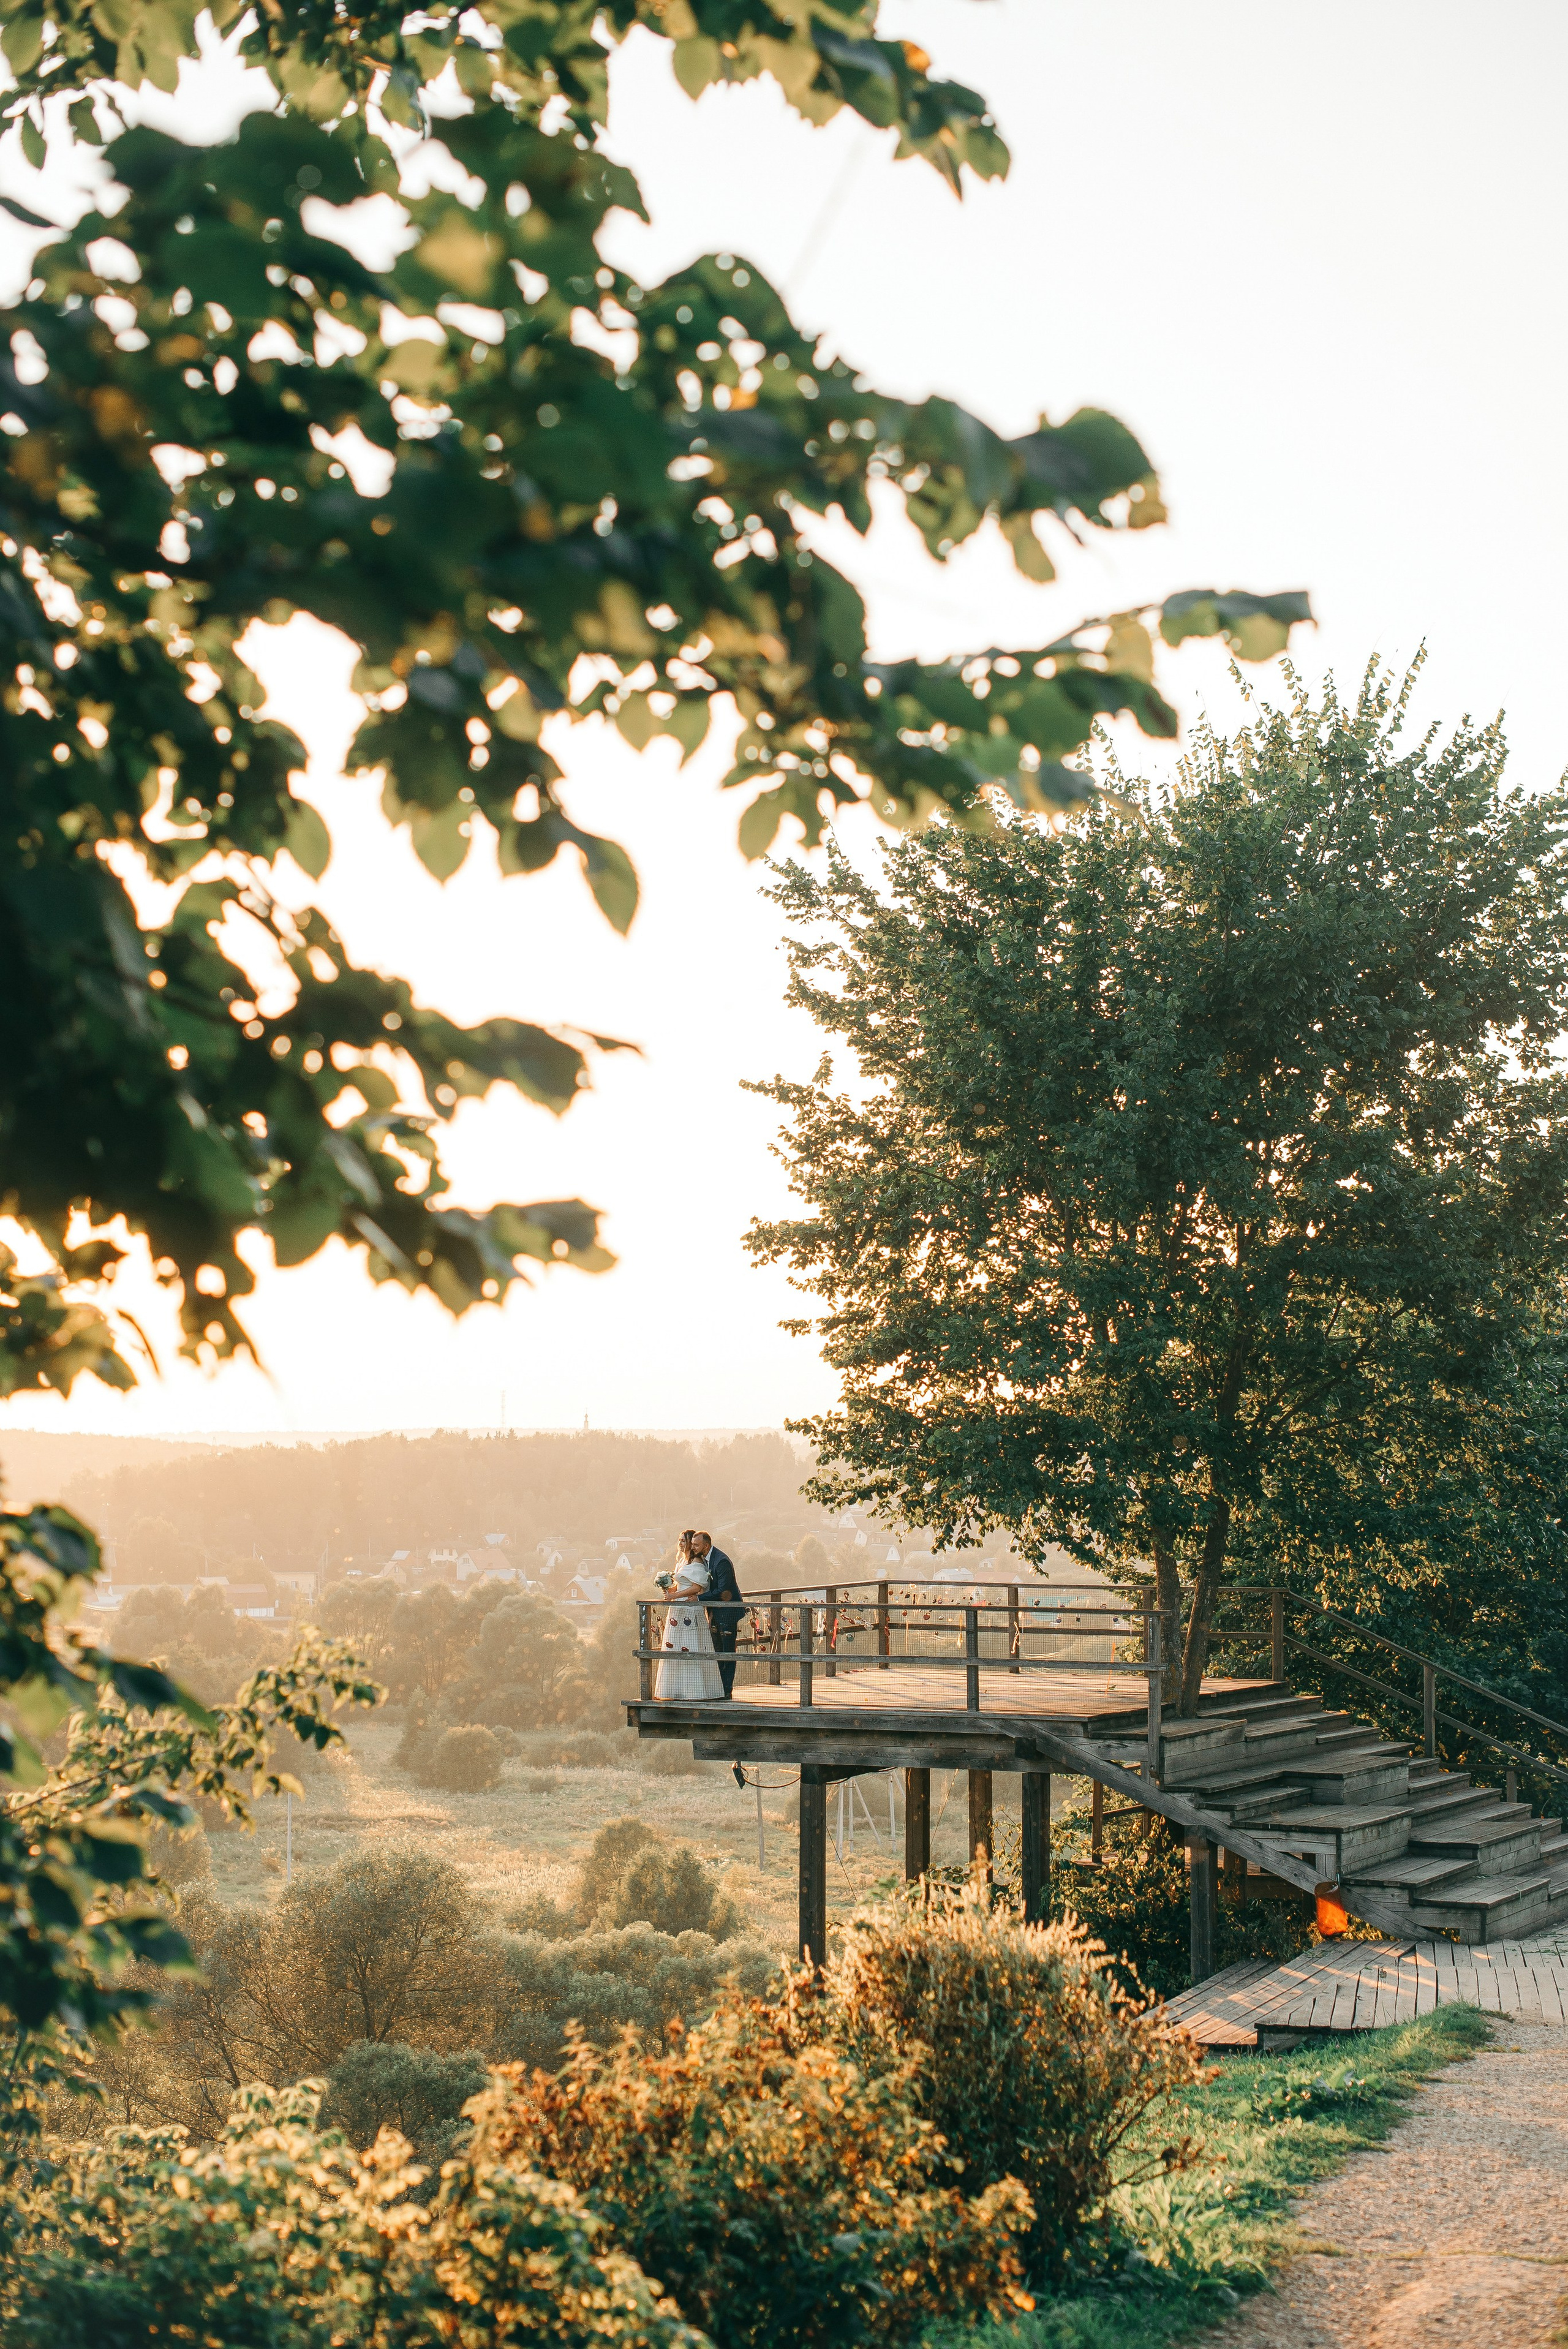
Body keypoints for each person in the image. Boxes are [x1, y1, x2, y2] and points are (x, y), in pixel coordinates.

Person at [652, 1532, 724, 1702]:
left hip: (689, 1610)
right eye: (680, 1540)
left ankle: (695, 1691)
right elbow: (680, 1584)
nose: (681, 1543)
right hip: (677, 1611)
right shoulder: (681, 1563)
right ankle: (675, 1690)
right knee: (675, 1646)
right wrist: (669, 1589)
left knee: (691, 1645)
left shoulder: (697, 1562)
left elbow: (697, 1587)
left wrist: (675, 1597)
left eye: (684, 1541)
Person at [690, 1528, 743, 1700]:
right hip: (716, 1613)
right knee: (718, 1651)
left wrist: (699, 1598)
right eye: (692, 1544)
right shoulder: (707, 1559)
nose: (693, 1547)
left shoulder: (721, 1561)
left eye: (696, 1545)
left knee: (727, 1652)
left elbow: (724, 1591)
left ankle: (727, 1690)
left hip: (728, 1612)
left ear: (706, 1545)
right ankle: (720, 1689)